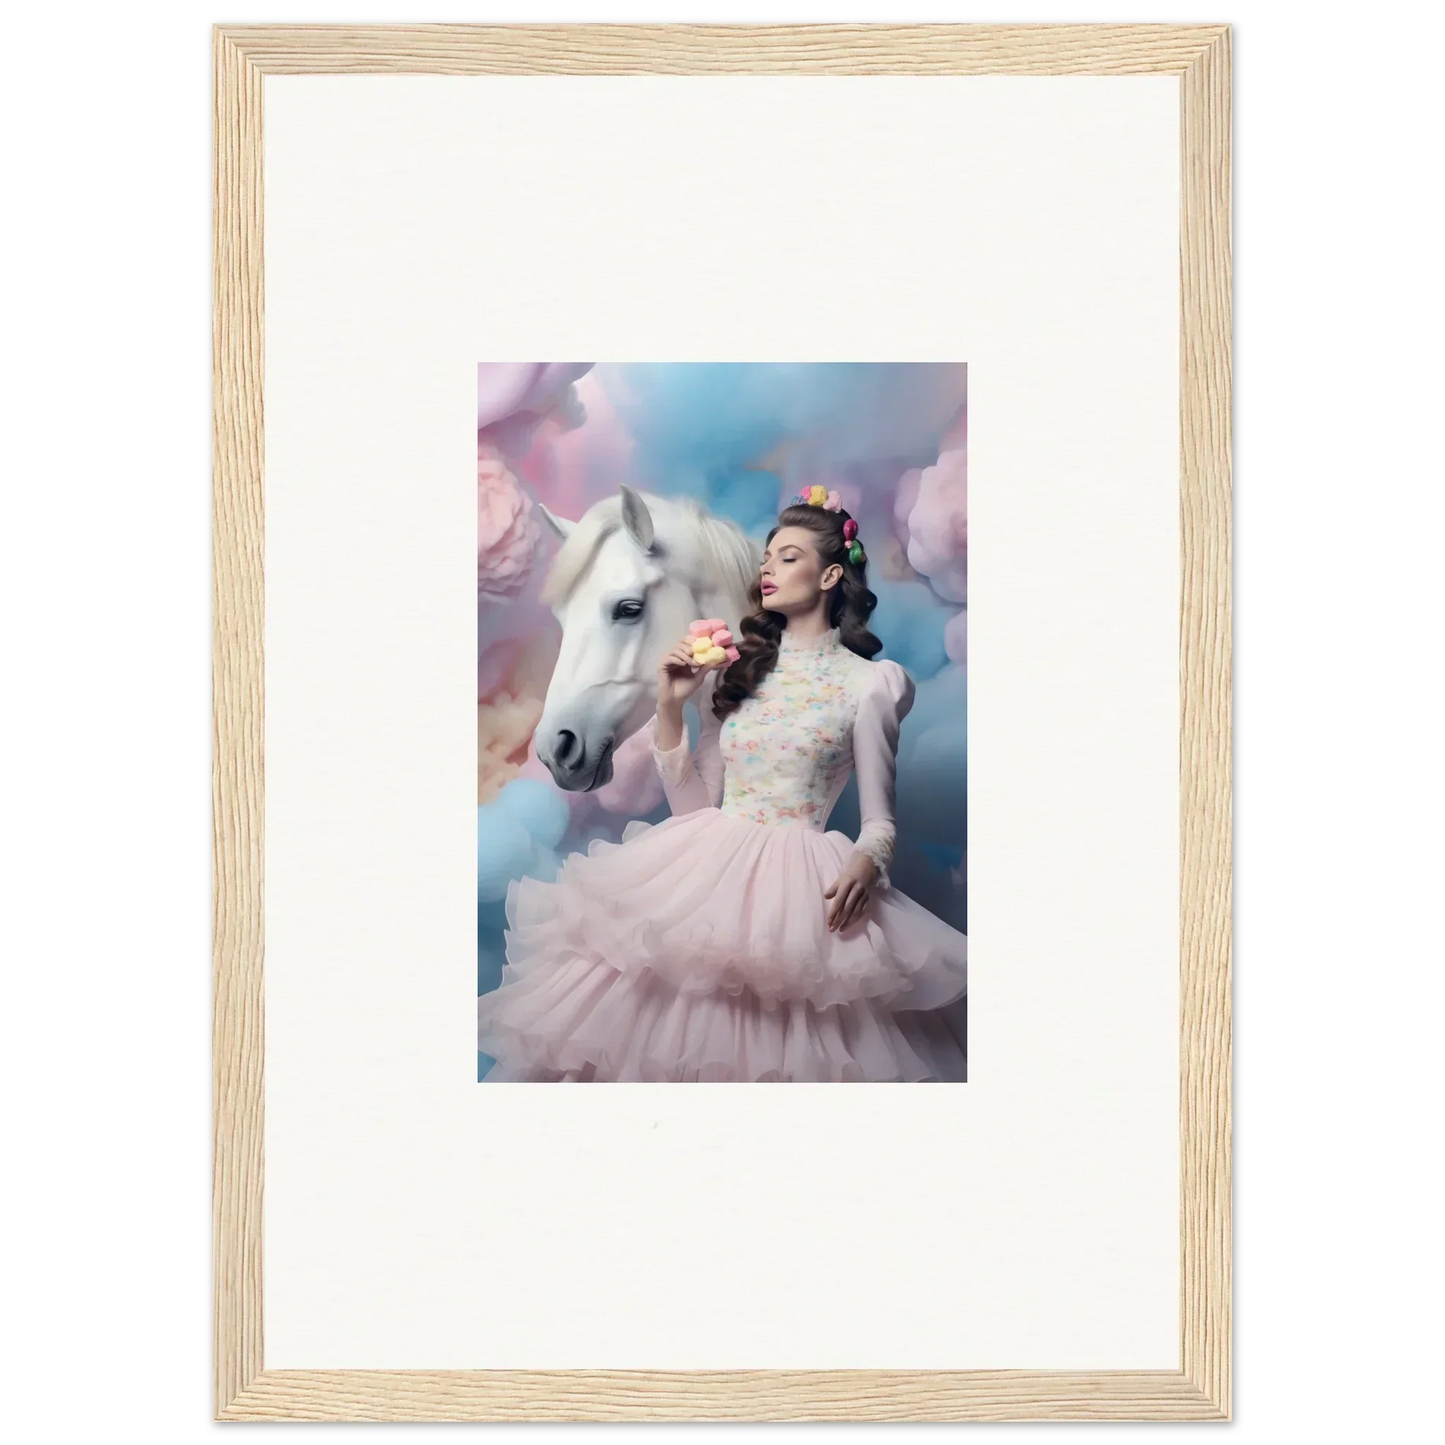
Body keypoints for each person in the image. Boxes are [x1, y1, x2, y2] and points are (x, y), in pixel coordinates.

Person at [476, 494, 968, 1082]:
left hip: (804, 896)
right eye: (767, 557)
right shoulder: (738, 671)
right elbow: (693, 808)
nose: (767, 569)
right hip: (703, 876)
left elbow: (880, 821)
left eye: (788, 558)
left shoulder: (873, 685)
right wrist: (669, 706)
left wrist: (868, 862)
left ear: (831, 575)